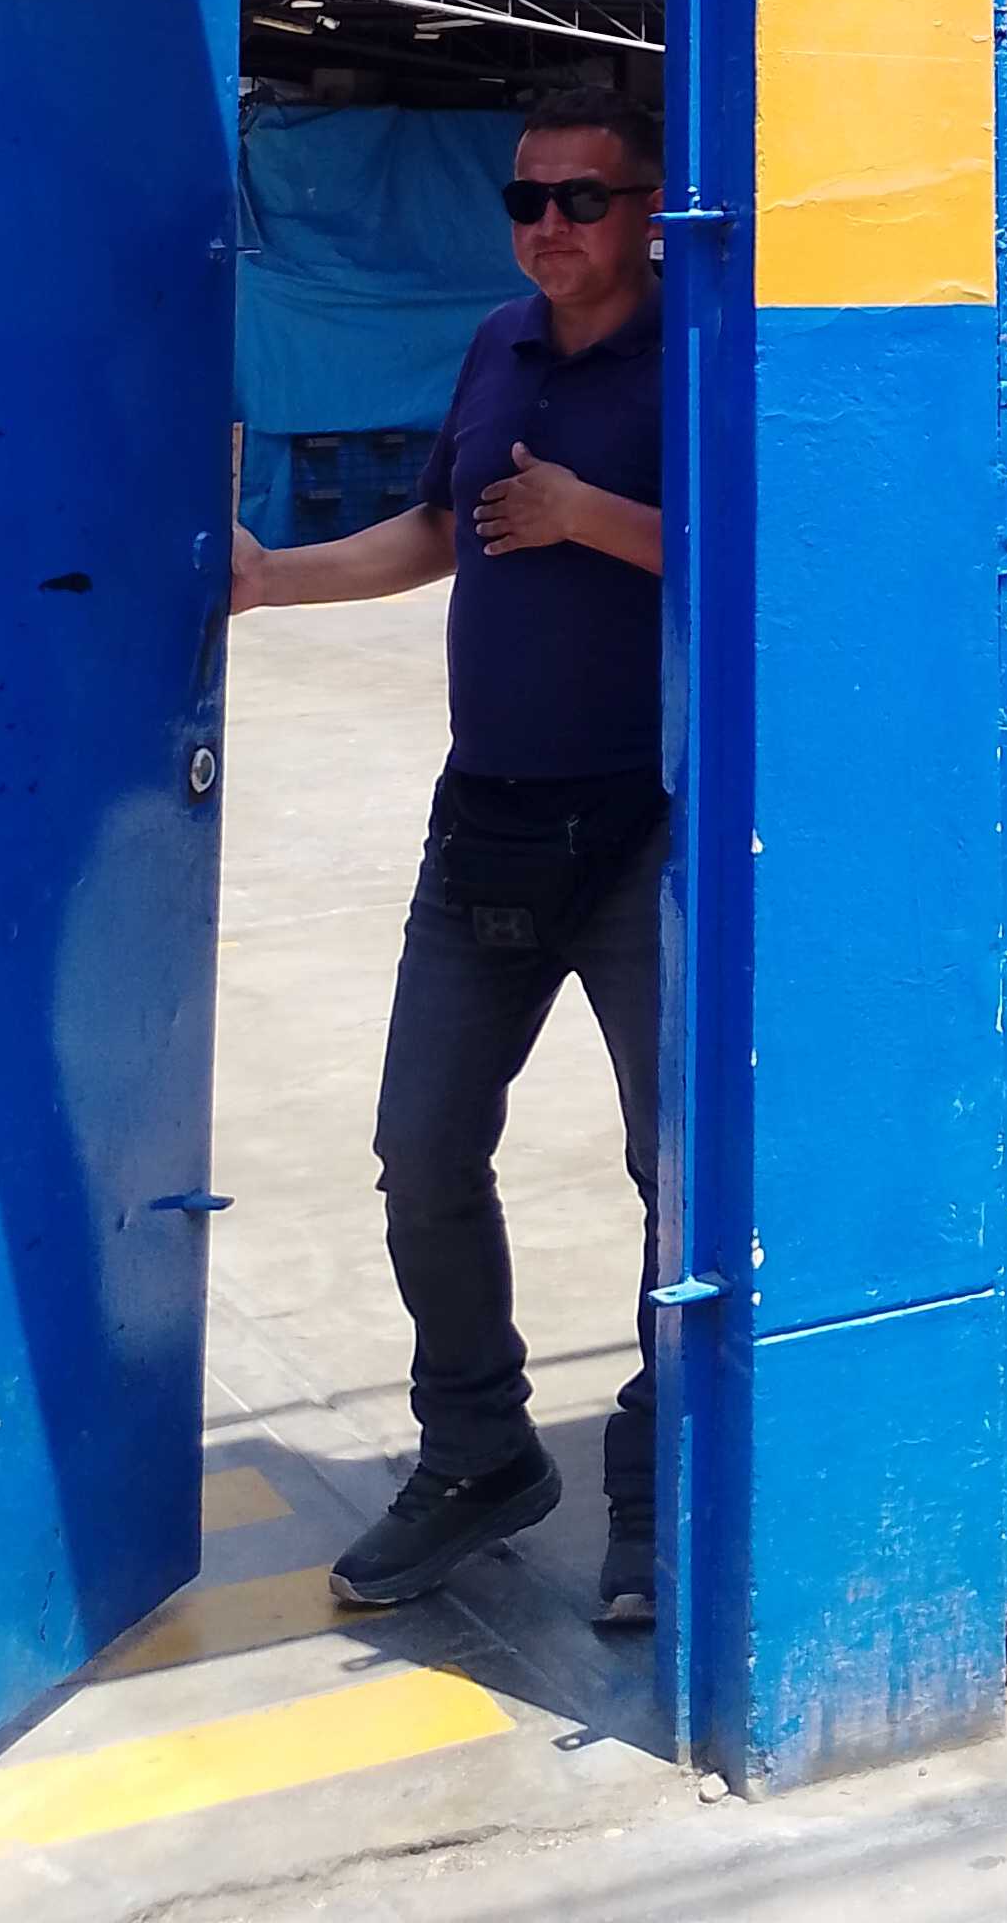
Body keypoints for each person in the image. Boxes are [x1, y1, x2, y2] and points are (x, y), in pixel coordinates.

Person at [232, 87, 668, 1633]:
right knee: (421, 1150)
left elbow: (770, 552)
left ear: (651, 212)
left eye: (584, 199)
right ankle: (480, 1453)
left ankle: (661, 1477)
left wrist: (586, 514)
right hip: (486, 820)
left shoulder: (706, 349)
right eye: (527, 199)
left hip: (643, 830)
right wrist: (272, 581)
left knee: (675, 1173)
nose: (549, 226)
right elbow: (443, 529)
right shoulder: (498, 345)